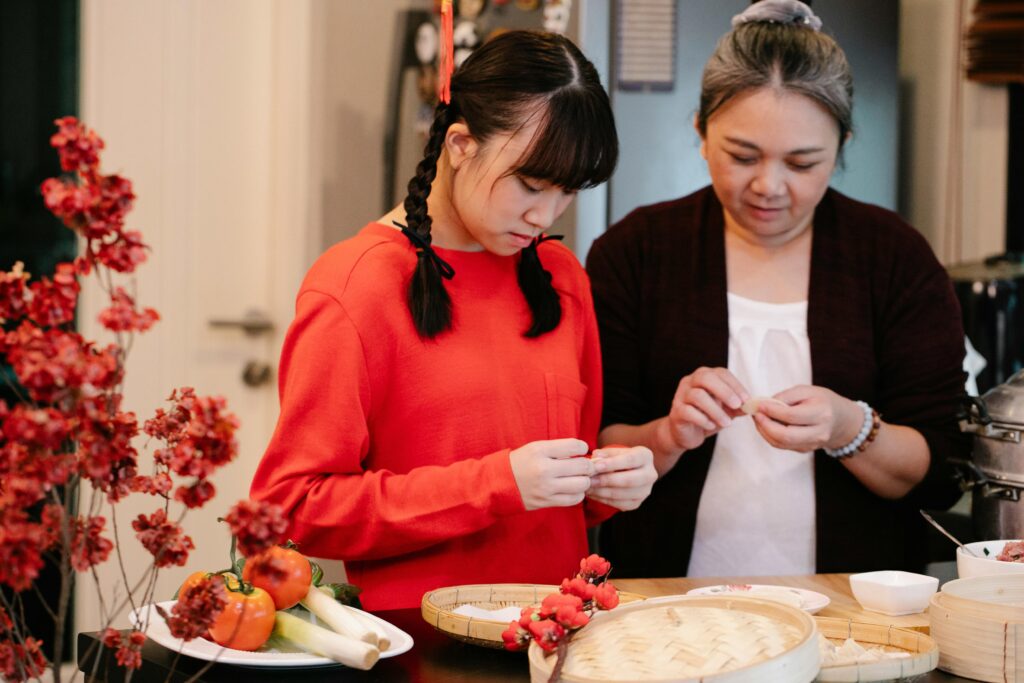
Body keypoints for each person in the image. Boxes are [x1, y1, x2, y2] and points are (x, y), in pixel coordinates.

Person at [250, 30, 656, 611]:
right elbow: (294, 507)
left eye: (568, 192)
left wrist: (611, 482)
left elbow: (569, 491)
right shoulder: (356, 285)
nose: (545, 215)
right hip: (420, 640)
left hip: (557, 635)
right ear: (461, 144)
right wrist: (495, 485)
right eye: (531, 185)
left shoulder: (561, 277)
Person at [586, 0, 968, 579]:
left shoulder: (893, 257)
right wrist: (670, 434)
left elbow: (940, 468)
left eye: (802, 163)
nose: (769, 186)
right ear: (701, 132)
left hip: (851, 605)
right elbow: (597, 450)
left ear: (841, 147)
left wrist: (849, 427)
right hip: (664, 600)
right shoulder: (636, 250)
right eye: (743, 156)